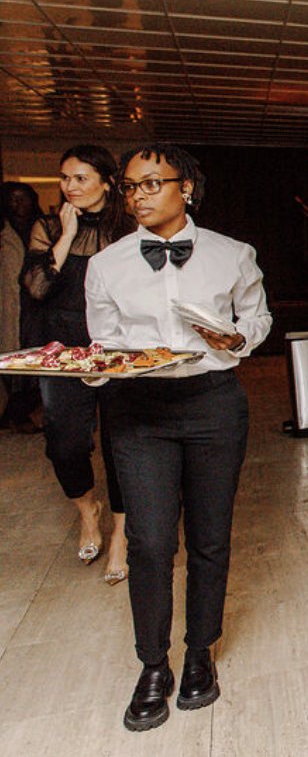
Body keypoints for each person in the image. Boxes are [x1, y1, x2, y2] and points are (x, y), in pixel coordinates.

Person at [85, 145, 271, 732]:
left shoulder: (233, 254)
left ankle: (199, 654)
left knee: (212, 537)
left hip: (213, 404)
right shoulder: (107, 265)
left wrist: (237, 341)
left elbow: (256, 316)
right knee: (150, 542)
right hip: (138, 411)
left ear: (185, 187)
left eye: (150, 184)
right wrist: (96, 366)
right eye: (130, 187)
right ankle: (152, 665)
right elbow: (105, 342)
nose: (137, 196)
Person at [20, 149, 134, 581]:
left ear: (107, 182)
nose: (70, 186)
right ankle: (89, 510)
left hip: (117, 346)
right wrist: (65, 236)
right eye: (65, 177)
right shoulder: (47, 227)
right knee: (64, 441)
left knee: (123, 444)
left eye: (81, 178)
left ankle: (121, 534)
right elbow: (36, 288)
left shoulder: (127, 229)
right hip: (63, 351)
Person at [1, 182, 41, 431]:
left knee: (33, 356)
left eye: (23, 198)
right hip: (8, 302)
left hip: (36, 304)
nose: (18, 204)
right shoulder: (3, 232)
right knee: (8, 356)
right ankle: (12, 413)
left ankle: (27, 412)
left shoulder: (44, 228)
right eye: (13, 199)